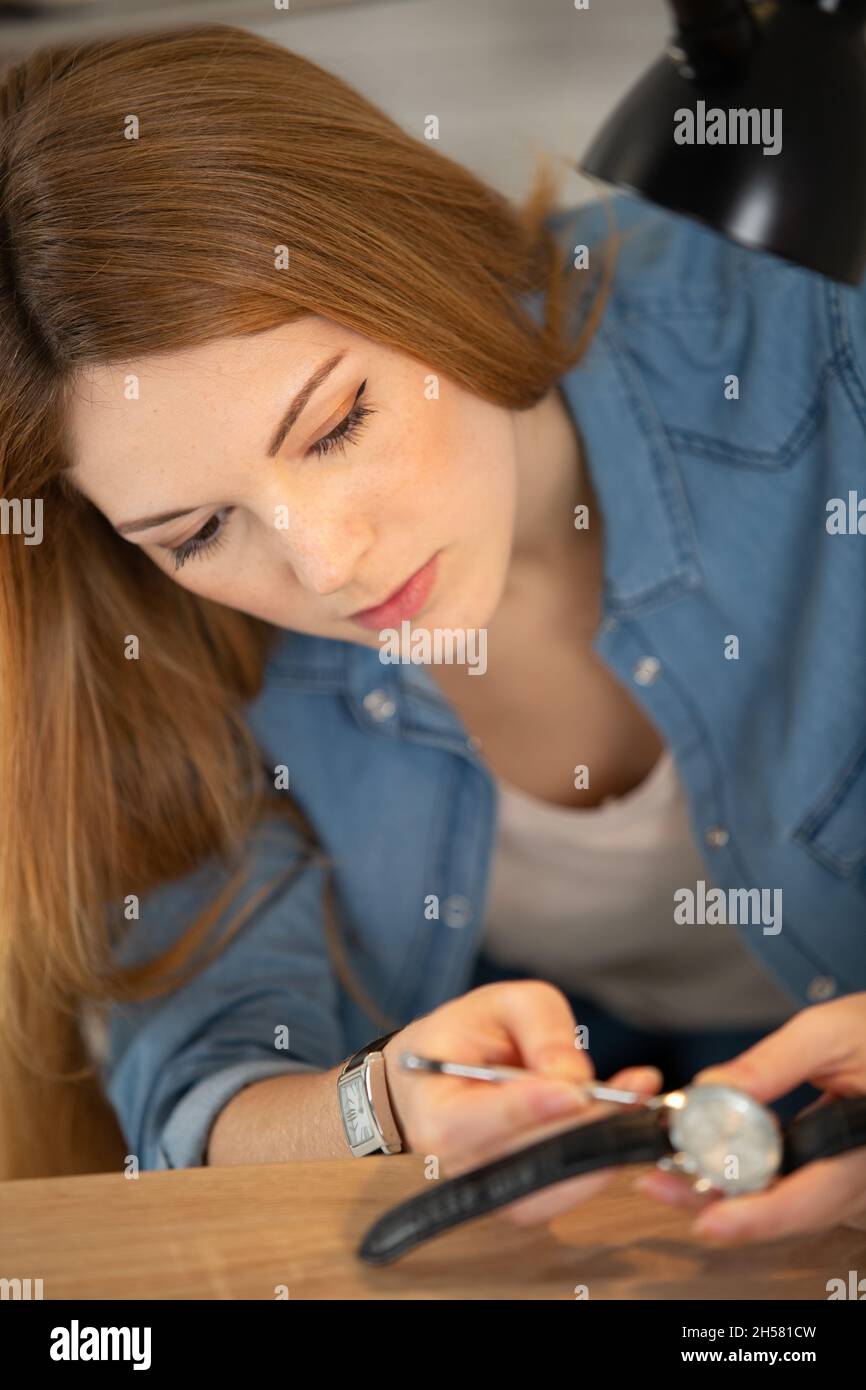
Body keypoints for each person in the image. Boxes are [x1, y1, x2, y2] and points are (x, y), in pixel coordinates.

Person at [0, 24, 863, 1243]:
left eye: (338, 421)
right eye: (197, 530)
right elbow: (204, 1081)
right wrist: (384, 1103)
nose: (327, 562)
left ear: (428, 261)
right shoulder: (153, 627)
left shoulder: (805, 332)